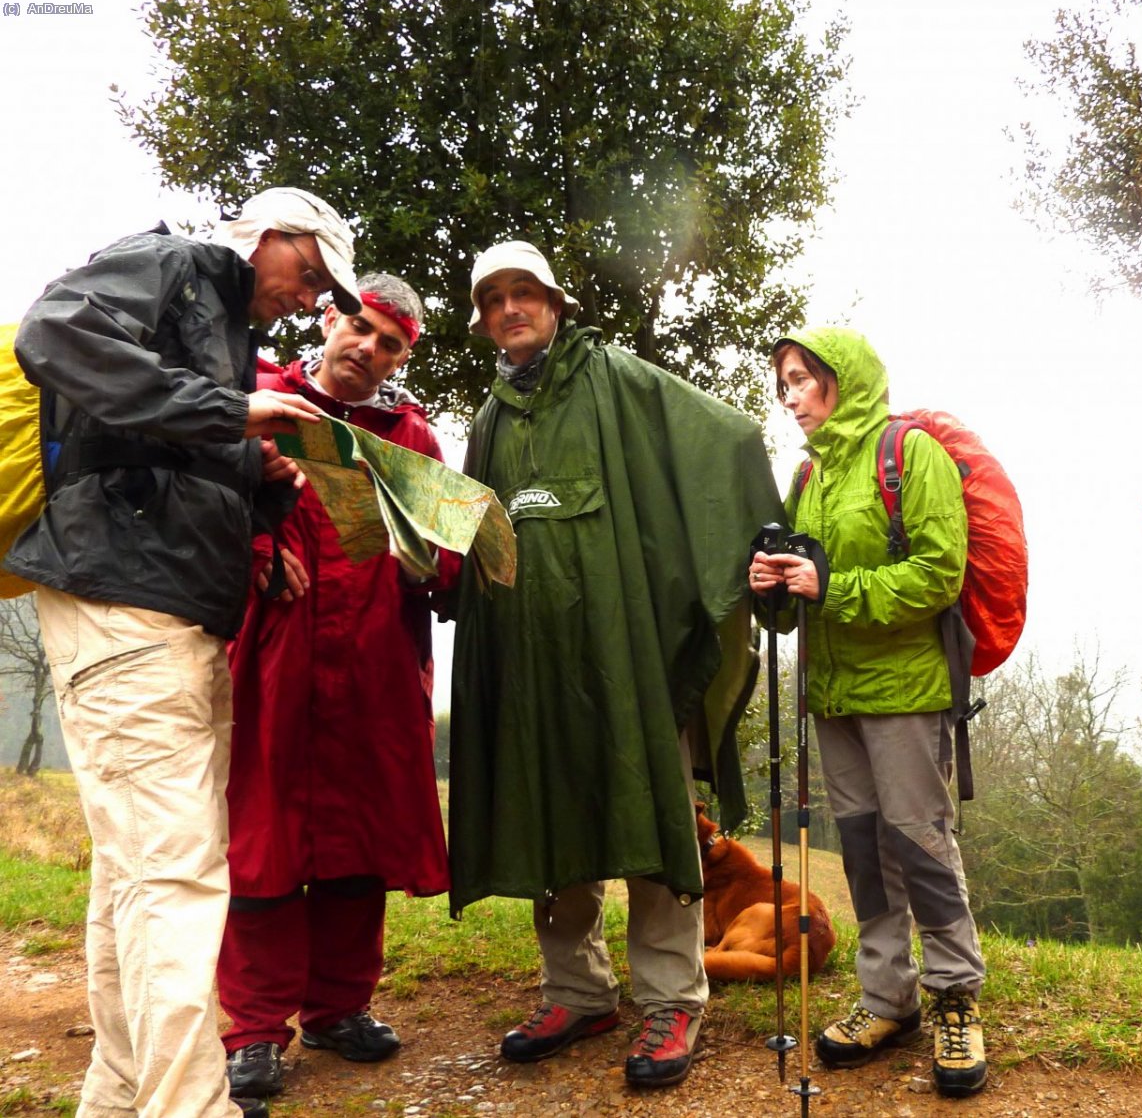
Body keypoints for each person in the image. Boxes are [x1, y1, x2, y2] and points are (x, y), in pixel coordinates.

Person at [4, 187, 361, 1118]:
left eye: (321, 289)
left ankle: (121, 1096)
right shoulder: (174, 264)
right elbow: (54, 333)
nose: (307, 297)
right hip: (121, 600)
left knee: (137, 871)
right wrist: (229, 412)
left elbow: (168, 443)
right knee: (175, 872)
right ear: (268, 236)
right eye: (308, 273)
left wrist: (260, 475)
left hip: (175, 610)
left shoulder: (227, 327)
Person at [446, 241, 781, 1088]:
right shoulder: (488, 421)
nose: (511, 308)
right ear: (483, 319)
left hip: (626, 653)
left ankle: (672, 998)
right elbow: (476, 536)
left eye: (525, 292)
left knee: (648, 809)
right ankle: (577, 991)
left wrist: (735, 552)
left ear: (555, 303)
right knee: (550, 811)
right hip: (533, 661)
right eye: (494, 299)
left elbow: (729, 436)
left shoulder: (614, 377)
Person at [216, 273, 459, 1101]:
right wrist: (256, 552)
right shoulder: (263, 400)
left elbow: (447, 552)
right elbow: (206, 500)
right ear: (329, 318)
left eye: (389, 343)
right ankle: (254, 1029)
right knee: (263, 843)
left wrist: (433, 560)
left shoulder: (409, 435)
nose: (368, 348)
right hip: (272, 656)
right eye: (359, 327)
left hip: (373, 665)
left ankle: (337, 1007)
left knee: (357, 843)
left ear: (401, 358)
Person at [749, 328, 989, 1099]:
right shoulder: (807, 476)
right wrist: (771, 586)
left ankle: (955, 996)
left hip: (907, 691)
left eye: (800, 379)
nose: (789, 396)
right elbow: (801, 591)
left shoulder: (909, 453)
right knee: (862, 850)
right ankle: (888, 997)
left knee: (921, 843)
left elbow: (940, 573)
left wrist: (835, 588)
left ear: (840, 378)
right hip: (834, 693)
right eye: (783, 384)